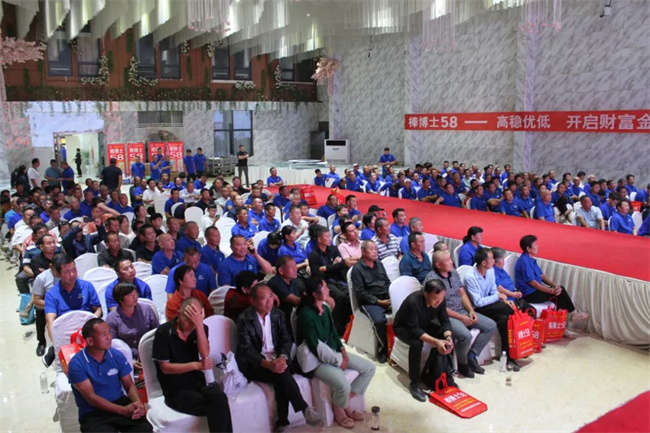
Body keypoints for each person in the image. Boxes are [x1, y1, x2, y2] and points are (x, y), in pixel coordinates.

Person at [236, 283, 322, 432]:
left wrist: (282, 357)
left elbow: (286, 339)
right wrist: (268, 364)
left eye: (271, 296)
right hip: (255, 364)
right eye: (264, 298)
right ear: (254, 301)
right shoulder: (244, 319)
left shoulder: (278, 315)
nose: (269, 301)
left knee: (281, 373)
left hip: (277, 358)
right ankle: (303, 409)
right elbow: (246, 350)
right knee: (281, 373)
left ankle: (283, 423)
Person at [296, 277, 375, 428]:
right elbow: (314, 346)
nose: (328, 290)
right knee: (342, 383)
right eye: (324, 288)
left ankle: (344, 402)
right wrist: (337, 362)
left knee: (369, 368)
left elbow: (333, 334)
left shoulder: (325, 309)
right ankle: (340, 410)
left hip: (332, 352)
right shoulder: (306, 314)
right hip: (317, 359)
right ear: (315, 294)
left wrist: (343, 353)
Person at [153, 297, 233, 432]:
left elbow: (205, 353)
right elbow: (165, 368)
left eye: (194, 320)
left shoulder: (201, 328)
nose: (189, 325)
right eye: (186, 319)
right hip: (175, 387)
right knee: (216, 406)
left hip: (198, 381)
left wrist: (199, 325)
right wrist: (196, 365)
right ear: (178, 314)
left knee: (219, 398)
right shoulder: (163, 332)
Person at [68, 318, 152, 433]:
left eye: (109, 332)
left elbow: (129, 384)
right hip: (93, 412)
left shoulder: (116, 355)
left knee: (145, 429)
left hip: (119, 402)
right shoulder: (76, 364)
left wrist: (138, 404)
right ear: (90, 341)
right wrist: (122, 410)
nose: (109, 337)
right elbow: (91, 398)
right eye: (104, 334)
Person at [424, 251, 496, 378]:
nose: (451, 262)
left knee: (490, 325)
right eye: (447, 260)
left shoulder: (453, 273)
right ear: (438, 265)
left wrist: (470, 311)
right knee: (465, 336)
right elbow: (439, 306)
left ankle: (472, 356)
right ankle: (463, 363)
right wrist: (461, 317)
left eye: (450, 259)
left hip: (461, 310)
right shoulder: (433, 280)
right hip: (445, 316)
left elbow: (462, 293)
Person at [394, 279, 455, 402]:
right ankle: (414, 383)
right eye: (435, 298)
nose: (439, 301)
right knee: (417, 343)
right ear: (426, 294)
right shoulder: (413, 302)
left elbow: (445, 321)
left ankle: (443, 375)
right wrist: (436, 342)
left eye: (441, 298)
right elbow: (415, 330)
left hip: (424, 323)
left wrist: (448, 337)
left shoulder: (440, 299)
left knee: (447, 338)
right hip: (404, 327)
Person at [514, 235, 586, 337]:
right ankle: (570, 316)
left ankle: (563, 323)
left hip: (535, 290)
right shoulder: (524, 261)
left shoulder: (531, 259)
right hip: (529, 294)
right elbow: (533, 283)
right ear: (528, 249)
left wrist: (554, 286)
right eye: (535, 245)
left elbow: (541, 276)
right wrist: (550, 291)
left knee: (560, 290)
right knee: (560, 294)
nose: (538, 247)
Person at [464, 248, 522, 371]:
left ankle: (507, 356)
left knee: (505, 319)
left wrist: (502, 299)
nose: (494, 261)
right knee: (508, 309)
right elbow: (478, 302)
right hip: (476, 309)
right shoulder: (470, 276)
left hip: (490, 306)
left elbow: (493, 289)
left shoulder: (490, 271)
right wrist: (498, 297)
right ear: (483, 263)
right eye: (491, 258)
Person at [350, 240, 392, 363]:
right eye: (371, 249)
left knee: (404, 309)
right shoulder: (357, 269)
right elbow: (361, 293)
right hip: (370, 302)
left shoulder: (379, 263)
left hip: (385, 297)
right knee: (379, 320)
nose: (375, 252)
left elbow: (387, 282)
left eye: (376, 249)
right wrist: (379, 302)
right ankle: (382, 349)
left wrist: (392, 296)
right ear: (363, 252)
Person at [106, 282, 159, 361]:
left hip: (150, 353)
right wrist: (129, 360)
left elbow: (157, 332)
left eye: (135, 293)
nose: (135, 296)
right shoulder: (112, 318)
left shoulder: (147, 309)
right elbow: (112, 345)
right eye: (130, 295)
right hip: (126, 358)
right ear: (120, 299)